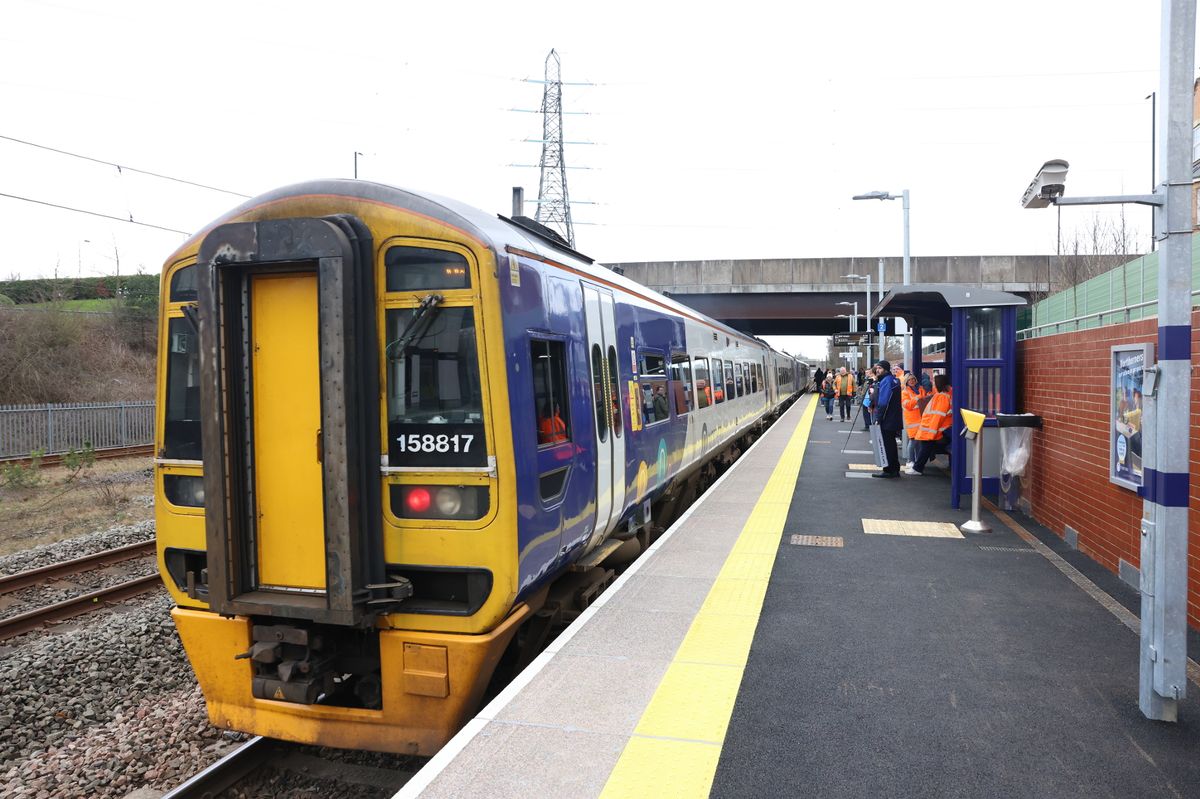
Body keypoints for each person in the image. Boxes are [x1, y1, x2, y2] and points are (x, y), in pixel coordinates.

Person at [907, 374, 953, 475]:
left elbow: (938, 416)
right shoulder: (942, 395)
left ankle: (917, 468)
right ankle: (917, 468)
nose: (933, 385)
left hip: (937, 430)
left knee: (925, 447)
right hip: (938, 430)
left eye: (934, 382)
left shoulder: (942, 397)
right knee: (926, 448)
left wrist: (932, 433)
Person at [870, 360, 903, 478]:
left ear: (886, 369)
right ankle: (894, 469)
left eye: (879, 368)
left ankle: (889, 470)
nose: (877, 370)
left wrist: (878, 418)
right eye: (876, 368)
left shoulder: (886, 381)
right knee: (891, 444)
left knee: (886, 445)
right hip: (893, 417)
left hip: (887, 418)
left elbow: (883, 402)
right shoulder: (893, 380)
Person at [899, 372, 927, 468]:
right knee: (913, 441)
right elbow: (908, 405)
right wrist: (918, 398)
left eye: (913, 379)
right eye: (910, 379)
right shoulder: (904, 392)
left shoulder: (920, 389)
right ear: (906, 381)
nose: (912, 381)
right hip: (912, 420)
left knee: (919, 441)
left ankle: (916, 460)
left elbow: (925, 400)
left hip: (922, 419)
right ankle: (910, 461)